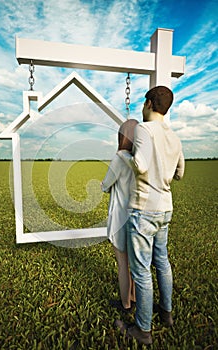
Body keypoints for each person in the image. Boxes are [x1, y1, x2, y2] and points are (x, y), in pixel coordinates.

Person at [115, 86, 185, 346]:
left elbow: (141, 165)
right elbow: (180, 172)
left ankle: (143, 330)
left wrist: (125, 154)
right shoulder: (174, 136)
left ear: (148, 103)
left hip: (144, 209)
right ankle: (166, 313)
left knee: (142, 271)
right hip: (166, 207)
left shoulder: (144, 129)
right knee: (162, 261)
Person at [101, 118, 138, 314]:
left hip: (119, 217)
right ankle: (133, 297)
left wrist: (103, 185)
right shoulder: (138, 160)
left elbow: (106, 185)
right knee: (133, 264)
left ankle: (125, 305)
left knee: (122, 265)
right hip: (136, 216)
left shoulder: (119, 158)